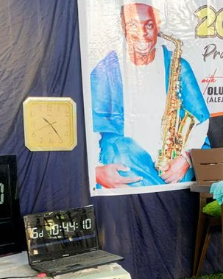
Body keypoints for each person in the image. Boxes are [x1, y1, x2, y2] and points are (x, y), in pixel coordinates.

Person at [90, 1, 210, 189]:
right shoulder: (105, 71)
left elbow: (201, 119)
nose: (142, 33)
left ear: (158, 26)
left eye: (149, 25)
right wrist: (96, 170)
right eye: (133, 25)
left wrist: (186, 158)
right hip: (127, 159)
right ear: (122, 26)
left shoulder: (178, 66)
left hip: (173, 160)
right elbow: (89, 129)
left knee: (183, 176)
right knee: (121, 159)